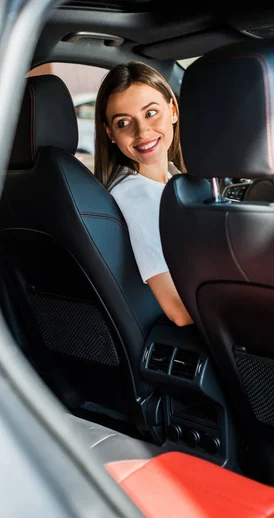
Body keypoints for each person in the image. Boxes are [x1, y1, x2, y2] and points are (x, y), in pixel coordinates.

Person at [94, 61, 193, 327]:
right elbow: (179, 311)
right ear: (110, 133)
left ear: (172, 110)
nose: (142, 132)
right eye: (124, 122)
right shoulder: (138, 197)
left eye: (151, 113)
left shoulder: (173, 181)